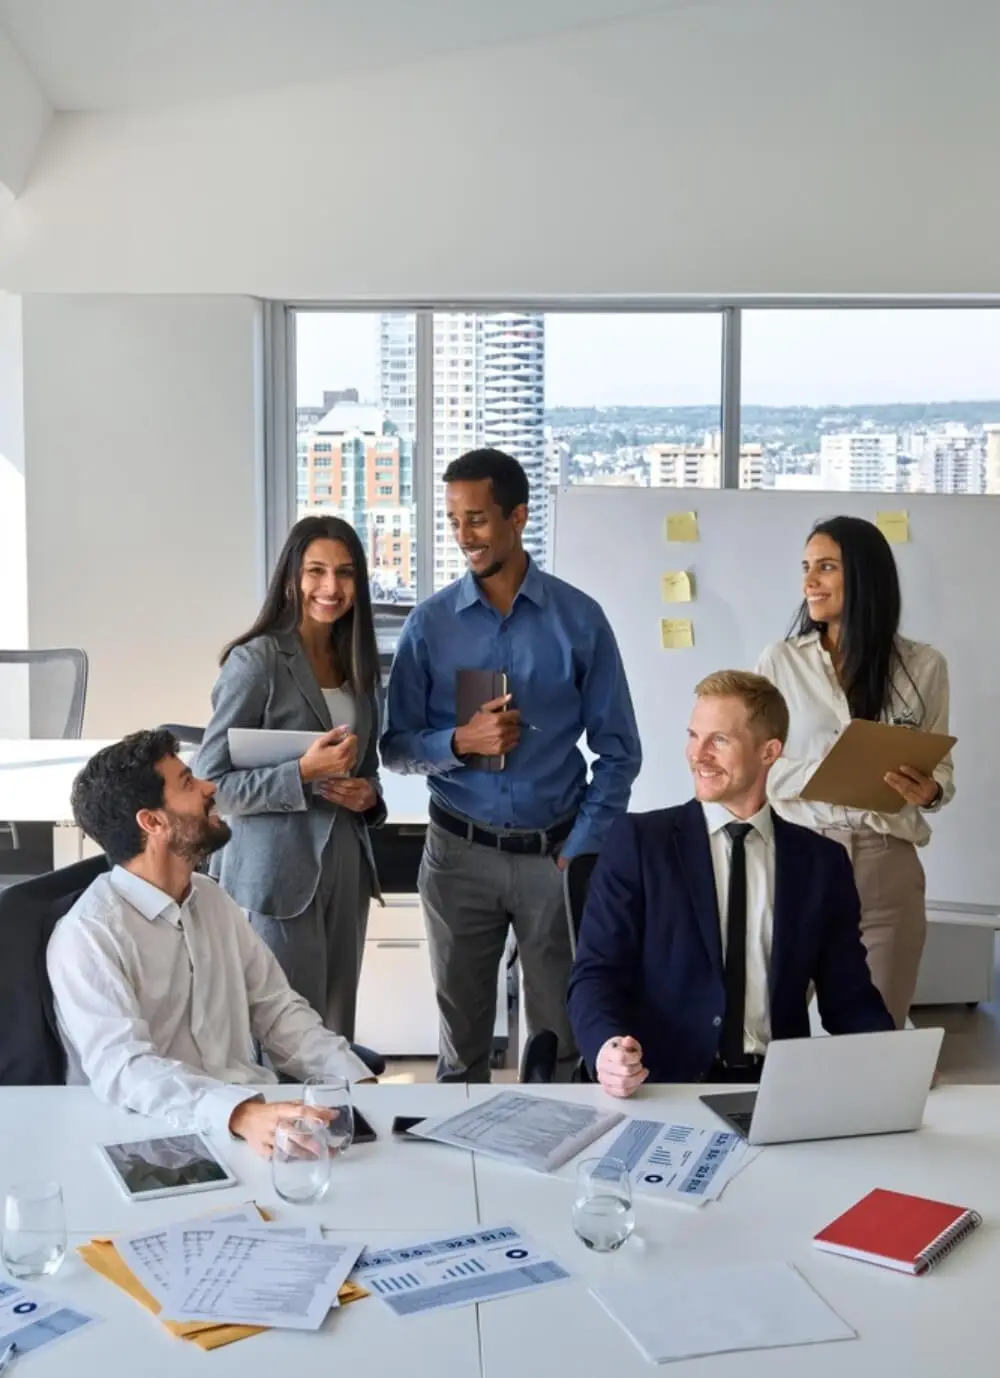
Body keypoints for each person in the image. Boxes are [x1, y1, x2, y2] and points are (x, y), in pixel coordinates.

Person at [381, 448, 642, 1083]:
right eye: (453, 521)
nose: (464, 536)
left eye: (477, 519)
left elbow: (620, 752)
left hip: (552, 857)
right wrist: (461, 741)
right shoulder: (429, 626)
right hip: (457, 855)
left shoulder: (579, 621)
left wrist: (580, 848)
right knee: (461, 1046)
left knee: (558, 1044)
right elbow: (395, 747)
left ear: (518, 516)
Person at [47, 731, 373, 1156]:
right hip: (153, 1140)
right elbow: (125, 1069)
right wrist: (237, 1114)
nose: (210, 787)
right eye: (187, 783)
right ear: (153, 822)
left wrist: (357, 1083)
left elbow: (277, 1011)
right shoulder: (88, 935)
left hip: (252, 1123)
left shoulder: (210, 898)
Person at [567, 671, 893, 1097]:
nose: (697, 754)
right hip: (659, 1086)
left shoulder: (821, 863)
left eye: (719, 740)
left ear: (769, 751)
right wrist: (606, 1050)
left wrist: (895, 1060)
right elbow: (596, 975)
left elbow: (848, 997)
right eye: (693, 735)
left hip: (776, 1089)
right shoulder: (639, 844)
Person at [756, 515, 954, 1028]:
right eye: (806, 568)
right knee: (768, 1028)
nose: (809, 583)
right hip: (800, 855)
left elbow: (942, 772)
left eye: (825, 567)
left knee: (877, 1034)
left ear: (864, 575)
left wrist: (930, 789)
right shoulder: (781, 662)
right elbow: (757, 770)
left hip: (886, 865)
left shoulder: (924, 666)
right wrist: (825, 771)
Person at [196, 515, 385, 1041]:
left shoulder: (358, 662)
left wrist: (368, 795)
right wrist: (301, 773)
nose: (332, 587)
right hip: (276, 869)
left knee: (335, 1031)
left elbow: (365, 769)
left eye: (345, 573)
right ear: (290, 579)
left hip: (343, 860)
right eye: (316, 571)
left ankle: (331, 1122)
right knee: (282, 1034)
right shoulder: (256, 661)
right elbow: (210, 786)